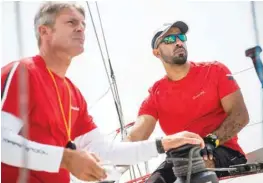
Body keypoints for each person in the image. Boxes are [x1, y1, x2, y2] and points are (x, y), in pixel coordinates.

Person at [1, 3, 205, 183]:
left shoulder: (73, 94)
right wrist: (65, 158)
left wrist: (164, 144)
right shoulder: (23, 72)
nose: (80, 28)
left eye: (83, 24)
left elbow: (104, 152)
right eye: (71, 22)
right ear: (44, 32)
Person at [125, 21, 249, 183]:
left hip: (222, 150)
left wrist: (211, 141)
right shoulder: (156, 94)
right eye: (169, 40)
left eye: (181, 37)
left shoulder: (215, 71)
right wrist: (109, 163)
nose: (178, 42)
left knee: (195, 167)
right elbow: (136, 136)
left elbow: (240, 115)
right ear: (156, 52)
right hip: (179, 158)